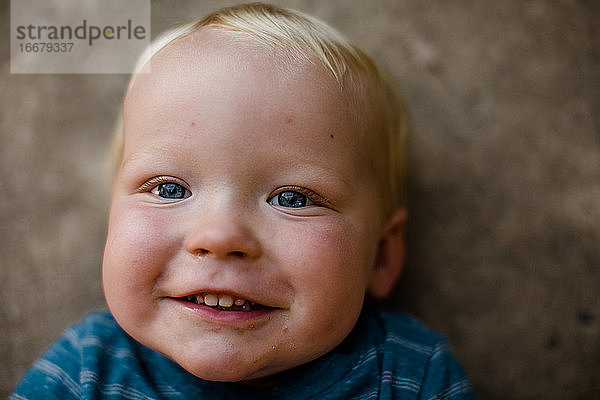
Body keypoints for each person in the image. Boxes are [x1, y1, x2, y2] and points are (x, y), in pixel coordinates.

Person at [11, 3, 476, 399]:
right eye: (169, 189)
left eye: (292, 198)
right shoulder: (85, 370)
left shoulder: (412, 377)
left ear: (380, 254)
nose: (219, 236)